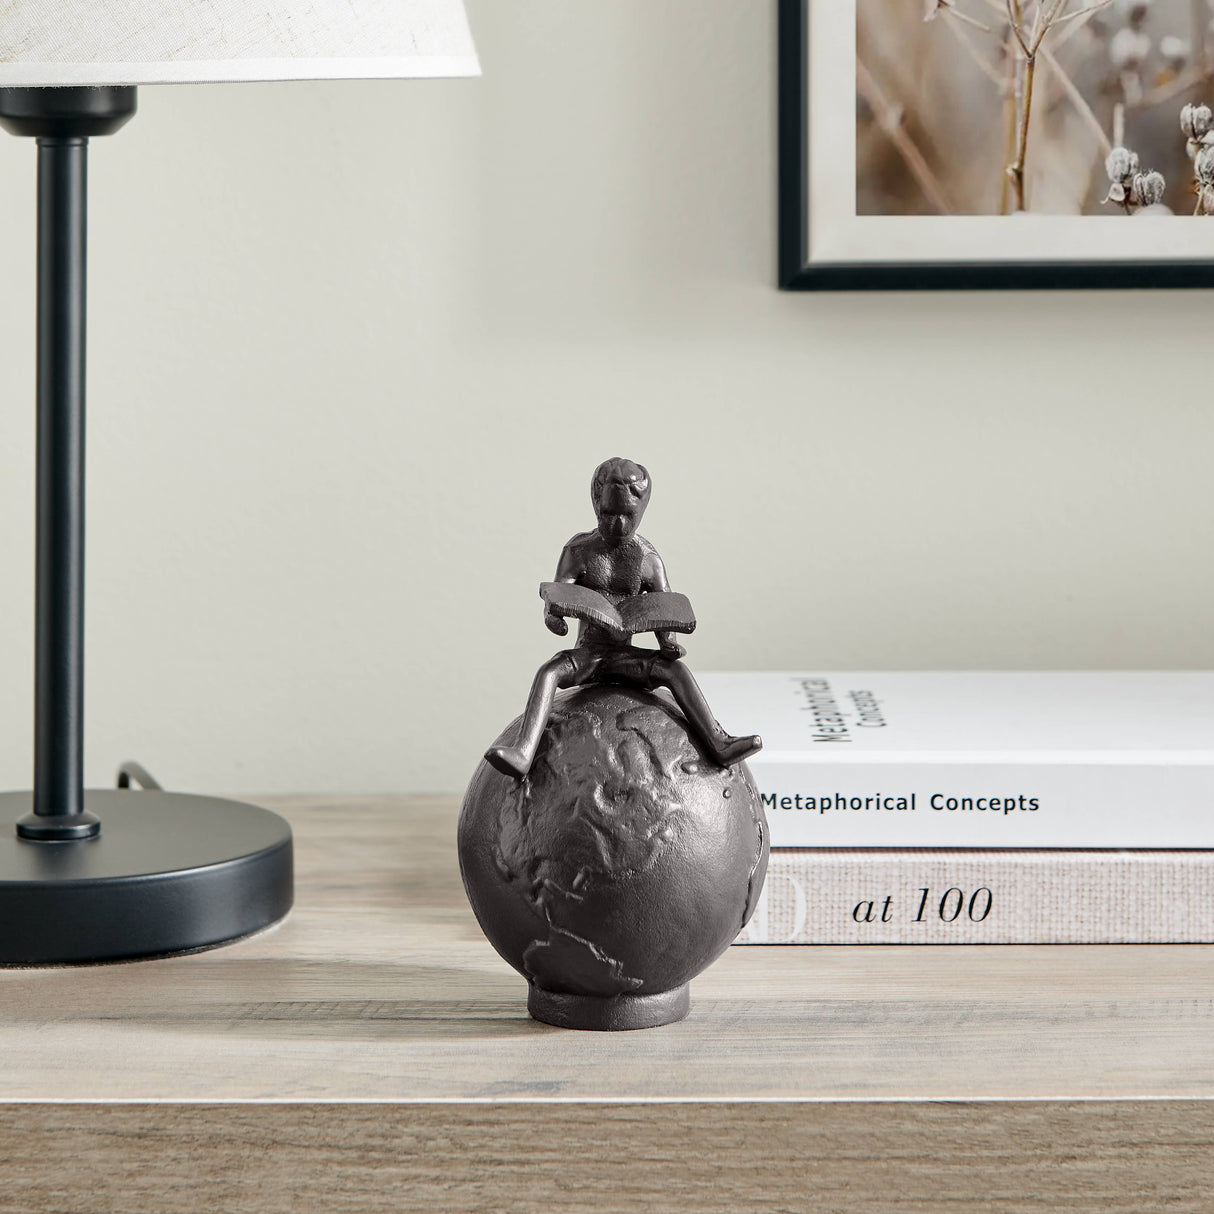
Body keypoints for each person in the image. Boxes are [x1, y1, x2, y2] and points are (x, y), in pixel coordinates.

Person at [485, 457, 762, 780]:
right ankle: (524, 751)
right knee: (548, 672)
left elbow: (664, 607)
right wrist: (554, 618)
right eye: (608, 514)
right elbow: (558, 595)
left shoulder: (648, 559)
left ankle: (718, 742)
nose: (618, 524)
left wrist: (668, 642)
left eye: (628, 515)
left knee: (676, 671)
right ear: (595, 505)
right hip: (587, 655)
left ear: (642, 510)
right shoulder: (579, 551)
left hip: (626, 658)